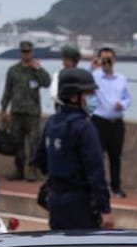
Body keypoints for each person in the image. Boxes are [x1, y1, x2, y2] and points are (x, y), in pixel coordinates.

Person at [33, 67, 113, 231]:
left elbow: (39, 160)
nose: (93, 98)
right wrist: (105, 209)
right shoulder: (84, 127)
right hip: (80, 203)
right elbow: (96, 172)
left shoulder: (51, 123)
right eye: (88, 93)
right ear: (73, 96)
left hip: (55, 200)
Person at [0, 41, 51, 182]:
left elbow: (47, 83)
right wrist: (3, 109)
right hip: (17, 112)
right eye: (23, 52)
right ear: (20, 53)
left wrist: (38, 69)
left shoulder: (36, 69)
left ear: (32, 52)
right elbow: (7, 91)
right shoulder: (13, 70)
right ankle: (18, 170)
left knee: (34, 143)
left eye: (28, 52)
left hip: (32, 113)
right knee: (17, 143)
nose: (26, 54)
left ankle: (32, 170)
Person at [90, 46, 132, 198]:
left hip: (117, 122)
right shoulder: (94, 76)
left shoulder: (121, 79)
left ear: (114, 60)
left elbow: (128, 97)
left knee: (115, 156)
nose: (107, 62)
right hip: (99, 121)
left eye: (109, 59)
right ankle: (98, 187)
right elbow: (84, 83)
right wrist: (93, 65)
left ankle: (116, 187)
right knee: (97, 156)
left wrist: (123, 104)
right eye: (104, 59)